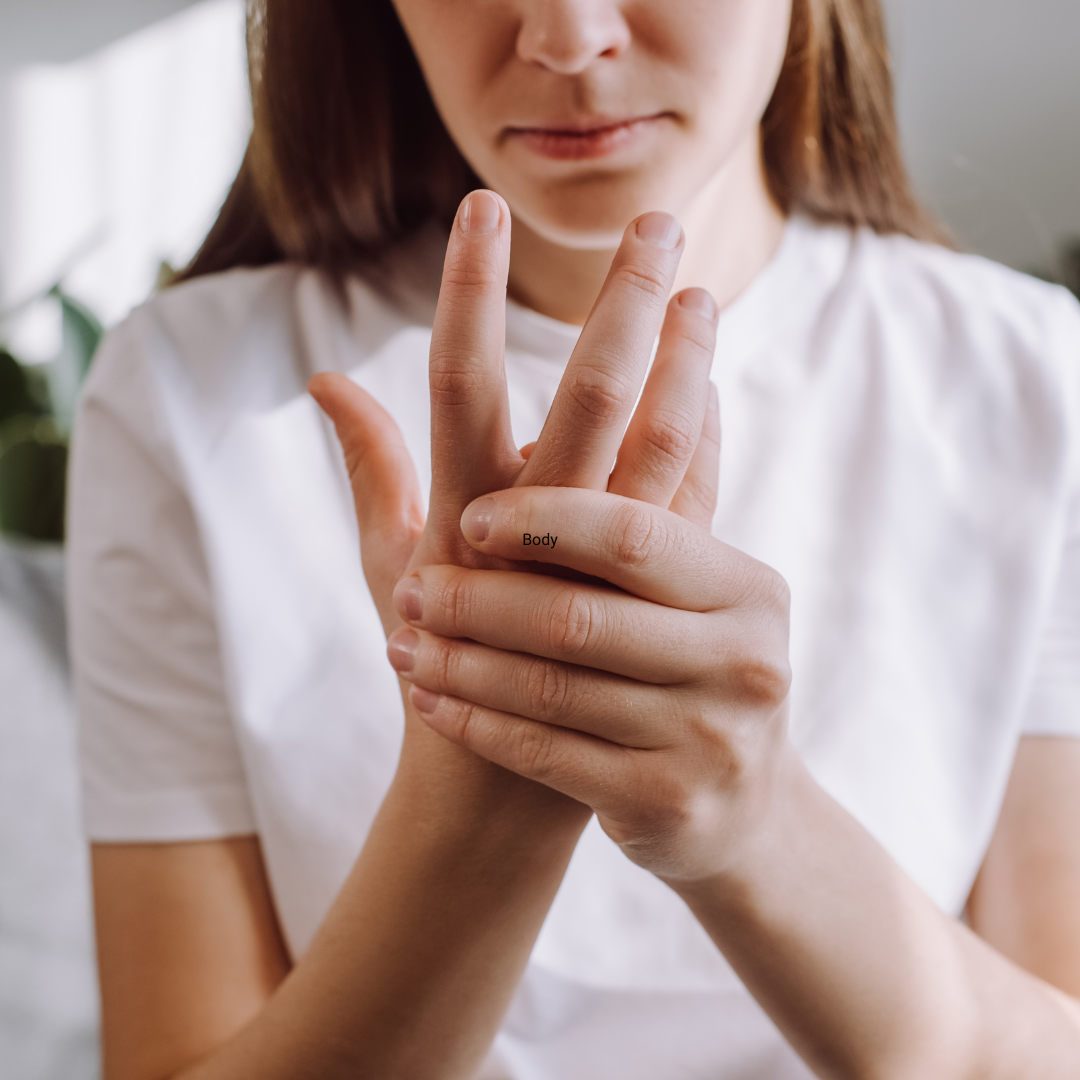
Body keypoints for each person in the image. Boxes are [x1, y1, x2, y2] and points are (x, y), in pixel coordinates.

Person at [67, 0, 1080, 1077]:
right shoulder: (185, 393)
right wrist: (476, 805)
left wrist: (751, 818)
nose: (567, 37)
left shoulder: (1032, 381)